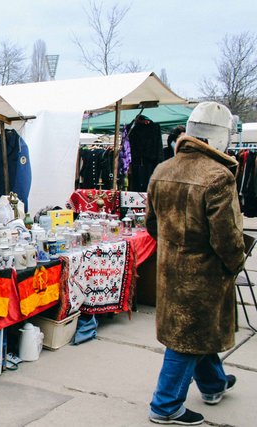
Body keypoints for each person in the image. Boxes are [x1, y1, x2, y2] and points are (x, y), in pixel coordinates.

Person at [146, 102, 244, 425]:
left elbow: (151, 226)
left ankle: (213, 384)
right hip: (202, 277)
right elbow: (227, 239)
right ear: (221, 137)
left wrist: (175, 246)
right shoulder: (219, 177)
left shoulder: (163, 169)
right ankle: (165, 404)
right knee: (187, 339)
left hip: (170, 271)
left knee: (194, 331)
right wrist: (235, 263)